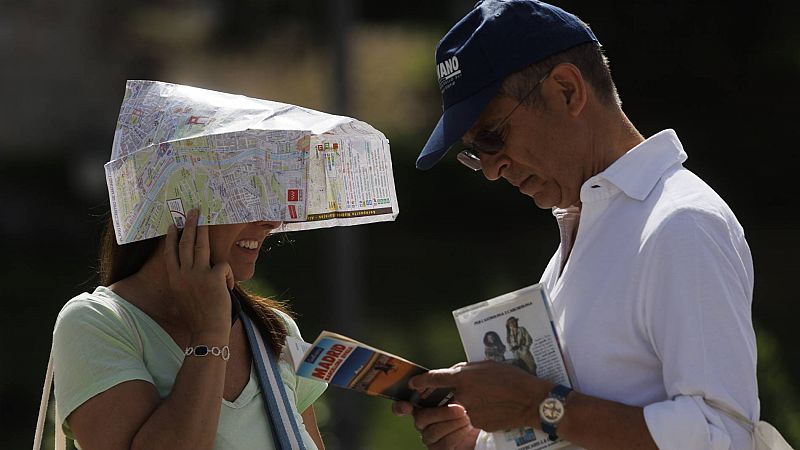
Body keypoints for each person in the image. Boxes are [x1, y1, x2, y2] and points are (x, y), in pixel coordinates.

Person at [392, 1, 758, 449]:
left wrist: (534, 406)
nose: (491, 170)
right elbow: (570, 425)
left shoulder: (681, 224)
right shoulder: (589, 225)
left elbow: (724, 437)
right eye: (476, 153)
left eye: (492, 136)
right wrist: (483, 440)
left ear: (567, 90)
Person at [52, 209, 327, 449]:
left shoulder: (277, 330)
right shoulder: (95, 322)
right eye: (245, 199)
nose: (272, 221)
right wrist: (210, 334)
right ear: (179, 203)